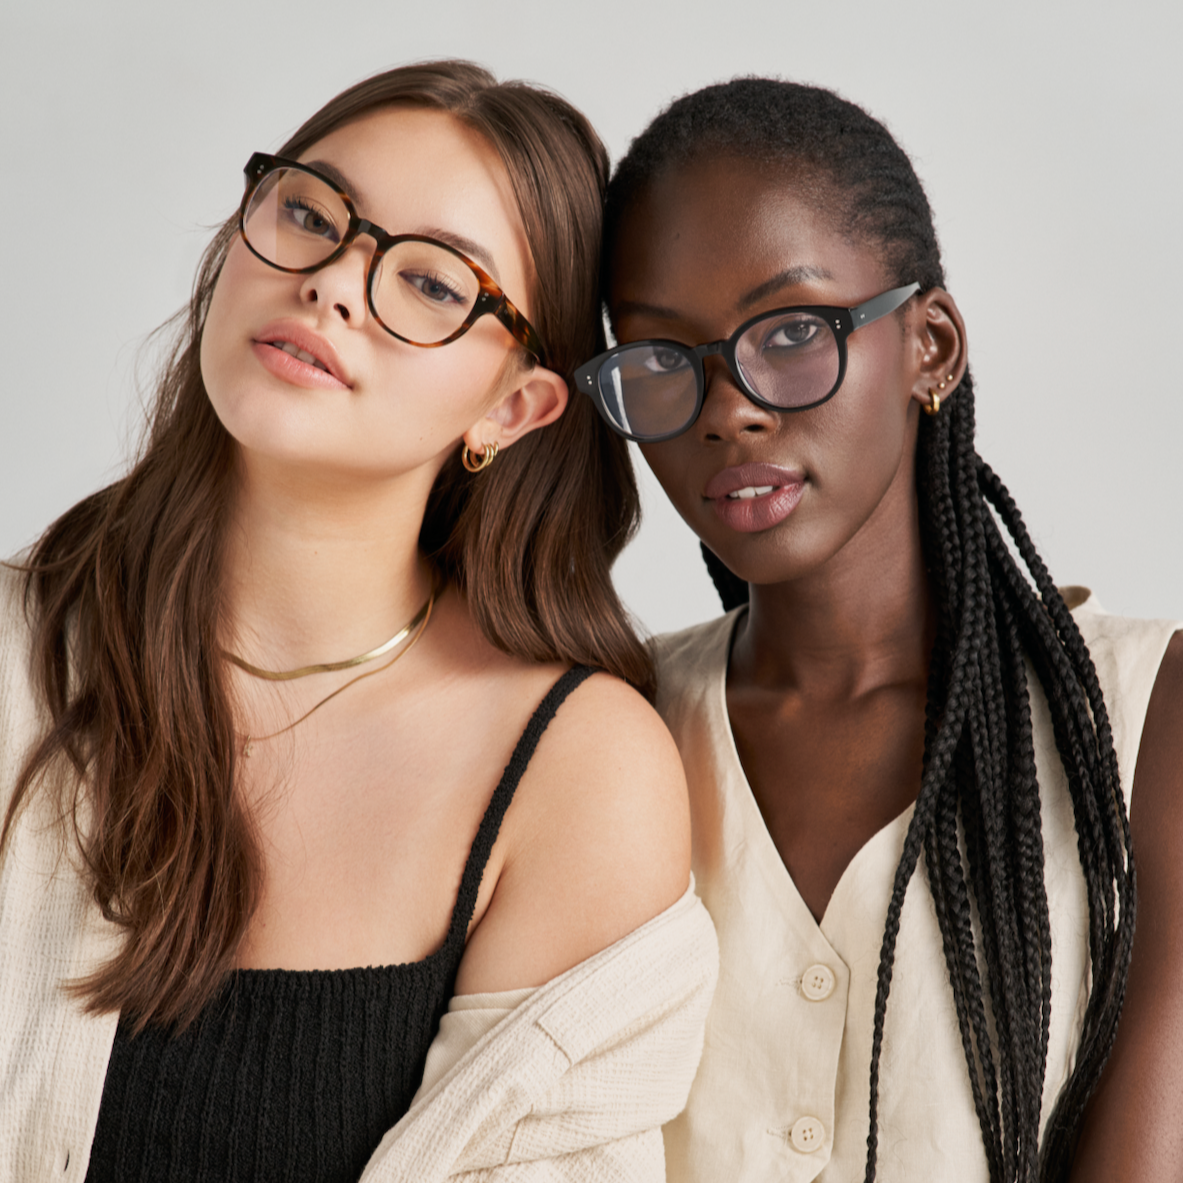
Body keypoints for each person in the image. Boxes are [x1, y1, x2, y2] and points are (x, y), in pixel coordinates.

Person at [0, 62, 716, 1182]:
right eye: (307, 213)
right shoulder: (18, 653)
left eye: (433, 284)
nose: (333, 282)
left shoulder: (573, 772)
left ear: (512, 406)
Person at [576, 78, 1183, 1181]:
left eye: (793, 331)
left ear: (931, 346)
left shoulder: (1149, 713)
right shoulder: (605, 728)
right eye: (661, 359)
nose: (729, 408)